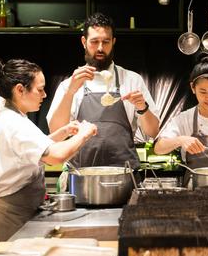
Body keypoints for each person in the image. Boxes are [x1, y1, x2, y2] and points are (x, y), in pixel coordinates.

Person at [0, 58, 98, 249]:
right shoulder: (13, 123)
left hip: (16, 213)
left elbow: (32, 149)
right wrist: (84, 134)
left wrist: (62, 132)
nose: (44, 94)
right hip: (10, 217)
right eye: (40, 89)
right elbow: (55, 156)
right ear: (20, 89)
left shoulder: (14, 117)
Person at [47, 13, 159, 169]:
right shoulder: (69, 85)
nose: (100, 48)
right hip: (82, 175)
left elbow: (153, 131)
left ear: (113, 42)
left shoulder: (132, 80)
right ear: (84, 42)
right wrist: (70, 93)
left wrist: (143, 108)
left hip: (125, 174)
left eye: (106, 42)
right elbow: (55, 132)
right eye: (94, 42)